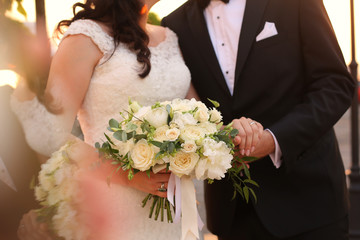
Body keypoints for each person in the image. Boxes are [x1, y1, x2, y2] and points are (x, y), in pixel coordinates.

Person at [14, 0, 262, 239]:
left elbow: (200, 117)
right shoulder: (84, 37)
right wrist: (126, 175)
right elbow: (51, 136)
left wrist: (233, 134)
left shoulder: (170, 37)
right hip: (113, 204)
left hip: (173, 210)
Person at [162, 0, 356, 239]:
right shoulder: (174, 24)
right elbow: (188, 109)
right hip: (232, 213)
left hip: (310, 202)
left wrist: (275, 140)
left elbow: (335, 84)